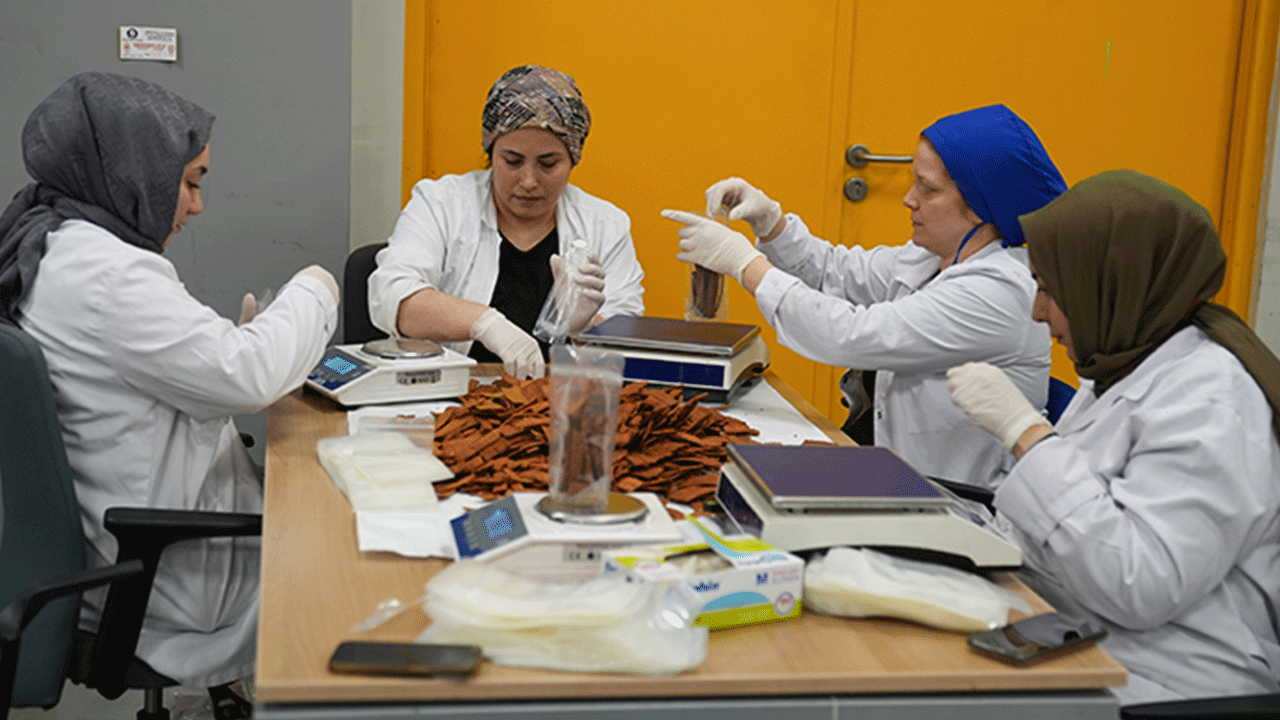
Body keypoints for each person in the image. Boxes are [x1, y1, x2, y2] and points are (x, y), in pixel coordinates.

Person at [0, 72, 339, 692]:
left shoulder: (54, 240)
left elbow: (145, 375)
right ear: (130, 171)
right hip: (177, 578)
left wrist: (217, 357)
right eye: (188, 183)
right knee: (352, 573)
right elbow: (252, 377)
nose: (196, 204)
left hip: (125, 541)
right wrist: (317, 286)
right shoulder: (109, 274)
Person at [947, 170, 1280, 705]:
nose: (1038, 312)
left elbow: (1141, 584)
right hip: (1087, 640)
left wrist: (1025, 434)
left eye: (1050, 290)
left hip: (1174, 686)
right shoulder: (1130, 362)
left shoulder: (1213, 399)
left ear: (1110, 283)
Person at [663, 104, 1064, 488]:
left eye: (927, 189)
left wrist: (746, 265)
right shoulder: (938, 253)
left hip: (956, 503)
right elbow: (841, 272)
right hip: (896, 472)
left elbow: (851, 335)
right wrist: (771, 224)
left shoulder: (999, 293)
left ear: (980, 208)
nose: (909, 199)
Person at [369, 65, 645, 379]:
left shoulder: (605, 226)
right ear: (491, 151)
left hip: (560, 403)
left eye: (548, 163)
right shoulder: (442, 204)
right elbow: (393, 296)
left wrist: (583, 328)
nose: (528, 181)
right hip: (450, 397)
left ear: (573, 160)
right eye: (512, 161)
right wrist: (486, 324)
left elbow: (627, 347)